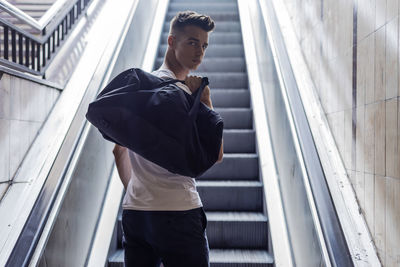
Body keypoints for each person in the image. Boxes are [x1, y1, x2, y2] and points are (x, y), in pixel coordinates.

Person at [112, 10, 224, 267]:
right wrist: (205, 99)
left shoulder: (139, 88)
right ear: (171, 42)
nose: (200, 52)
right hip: (180, 213)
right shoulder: (187, 94)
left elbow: (119, 151)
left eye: (204, 45)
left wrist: (138, 192)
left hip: (136, 214)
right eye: (192, 42)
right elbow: (216, 154)